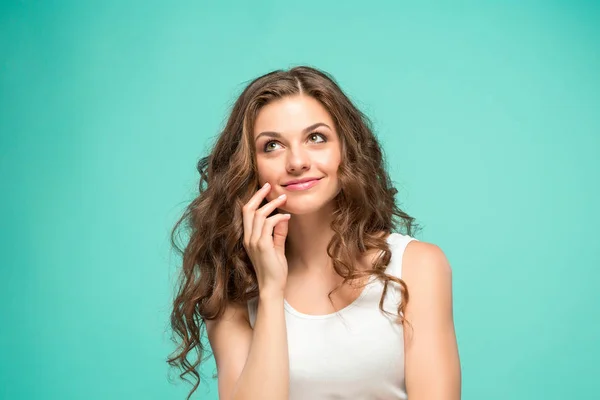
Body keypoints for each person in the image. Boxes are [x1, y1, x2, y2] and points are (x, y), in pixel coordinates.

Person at [168, 66, 461, 400]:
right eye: (273, 145)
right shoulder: (229, 289)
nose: (297, 161)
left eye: (316, 138)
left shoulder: (417, 267)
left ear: (346, 150)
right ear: (249, 166)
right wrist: (270, 288)